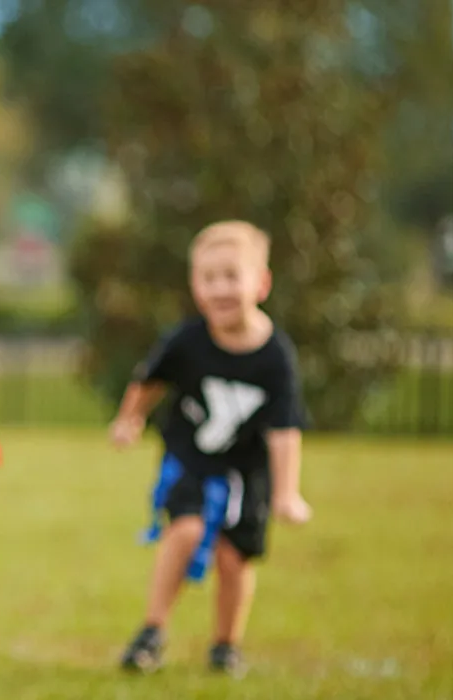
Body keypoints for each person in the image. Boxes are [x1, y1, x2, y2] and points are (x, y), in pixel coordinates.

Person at [110, 221, 312, 677]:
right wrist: (129, 420)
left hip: (246, 471)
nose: (220, 288)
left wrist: (286, 494)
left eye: (231, 276)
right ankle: (152, 631)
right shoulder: (188, 340)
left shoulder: (276, 356)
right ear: (195, 286)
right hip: (191, 459)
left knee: (233, 557)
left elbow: (284, 430)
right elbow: (149, 380)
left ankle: (225, 644)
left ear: (261, 283)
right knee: (184, 531)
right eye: (209, 278)